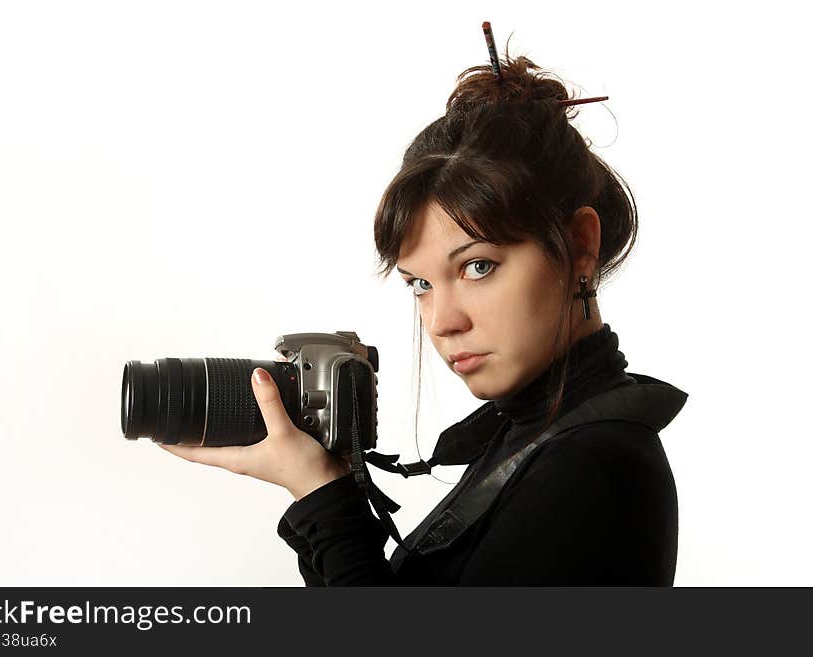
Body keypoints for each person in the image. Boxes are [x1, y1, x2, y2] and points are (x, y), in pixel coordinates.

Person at [158, 52, 688, 586]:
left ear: (579, 245)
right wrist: (323, 488)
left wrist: (325, 501)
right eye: (420, 284)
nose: (441, 321)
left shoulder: (590, 465)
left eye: (478, 267)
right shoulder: (534, 437)